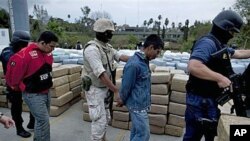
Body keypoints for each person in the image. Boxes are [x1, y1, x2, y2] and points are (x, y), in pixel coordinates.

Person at [183, 10, 250, 141]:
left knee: (209, 135)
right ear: (224, 28)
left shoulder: (219, 44)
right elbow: (194, 66)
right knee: (193, 137)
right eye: (232, 32)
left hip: (209, 99)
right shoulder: (207, 43)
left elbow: (238, 53)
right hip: (199, 100)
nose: (232, 35)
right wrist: (220, 78)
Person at [6, 31, 58, 141]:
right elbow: (14, 75)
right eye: (51, 46)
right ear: (43, 43)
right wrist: (15, 86)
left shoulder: (48, 53)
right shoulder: (24, 55)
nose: (53, 49)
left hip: (46, 92)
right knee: (42, 121)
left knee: (43, 120)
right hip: (33, 94)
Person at [83, 18, 129, 141]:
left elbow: (119, 56)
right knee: (98, 120)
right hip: (95, 89)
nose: (112, 34)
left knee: (106, 118)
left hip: (104, 88)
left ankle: (103, 139)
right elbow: (101, 74)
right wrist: (115, 90)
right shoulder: (92, 49)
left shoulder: (106, 47)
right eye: (110, 32)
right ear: (102, 32)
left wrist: (138, 59)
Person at [119, 34, 164, 141]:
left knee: (136, 132)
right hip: (137, 106)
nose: (157, 56)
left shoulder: (144, 61)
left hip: (141, 104)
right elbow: (126, 86)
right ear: (151, 47)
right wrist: (122, 99)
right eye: (157, 52)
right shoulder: (134, 64)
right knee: (143, 135)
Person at [0, 30, 34, 138]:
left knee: (34, 103)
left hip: (25, 84)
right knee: (16, 107)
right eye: (23, 44)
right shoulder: (7, 52)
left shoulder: (23, 51)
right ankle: (19, 128)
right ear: (16, 42)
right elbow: (14, 63)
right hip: (14, 86)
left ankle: (32, 122)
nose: (25, 46)